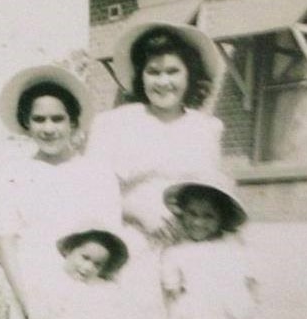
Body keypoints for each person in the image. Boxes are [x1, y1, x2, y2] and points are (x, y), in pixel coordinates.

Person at [0, 65, 122, 319]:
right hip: (31, 293)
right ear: (26, 122)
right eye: (39, 119)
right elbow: (6, 244)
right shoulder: (13, 175)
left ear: (73, 121)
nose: (48, 129)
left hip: (85, 298)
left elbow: (110, 245)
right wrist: (29, 308)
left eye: (57, 119)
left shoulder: (98, 173)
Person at [87, 21, 225, 243]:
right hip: (128, 241)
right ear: (141, 76)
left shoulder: (207, 128)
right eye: (153, 72)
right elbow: (92, 193)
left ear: (189, 74)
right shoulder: (112, 124)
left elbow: (218, 199)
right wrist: (140, 214)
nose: (163, 82)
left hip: (190, 246)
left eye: (173, 71)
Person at [160, 176, 255, 319]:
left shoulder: (233, 249)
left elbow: (249, 286)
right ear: (182, 213)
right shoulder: (175, 253)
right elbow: (171, 293)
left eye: (208, 216)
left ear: (222, 218)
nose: (198, 222)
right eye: (192, 214)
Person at [27, 227, 129, 319]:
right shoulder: (48, 276)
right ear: (69, 250)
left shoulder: (92, 293)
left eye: (97, 265)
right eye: (85, 257)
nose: (88, 267)